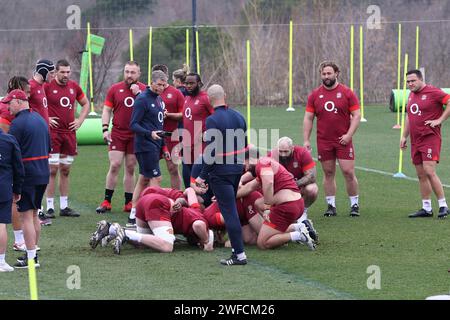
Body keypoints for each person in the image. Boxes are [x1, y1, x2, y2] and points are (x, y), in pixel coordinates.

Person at [195, 84, 248, 266]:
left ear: (209, 100)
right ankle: (237, 250)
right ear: (225, 95)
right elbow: (245, 146)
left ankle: (239, 255)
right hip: (236, 169)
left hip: (221, 173)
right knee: (231, 208)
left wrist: (202, 176)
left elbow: (211, 153)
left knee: (229, 212)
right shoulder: (239, 116)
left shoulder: (212, 120)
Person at [303, 61, 361, 217]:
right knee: (328, 172)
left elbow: (357, 115)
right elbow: (308, 118)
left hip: (343, 140)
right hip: (324, 141)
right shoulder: (315, 95)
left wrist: (349, 135)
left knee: (348, 172)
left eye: (329, 73)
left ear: (337, 73)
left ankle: (354, 204)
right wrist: (306, 140)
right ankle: (331, 205)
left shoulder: (347, 93)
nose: (326, 76)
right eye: (324, 73)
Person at [2, 89, 51, 268]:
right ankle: (32, 254)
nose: (7, 107)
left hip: (28, 175)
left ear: (19, 101)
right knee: (34, 215)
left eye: (10, 103)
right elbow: (49, 147)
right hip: (43, 173)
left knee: (26, 218)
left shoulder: (18, 124)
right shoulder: (40, 120)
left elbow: (11, 153)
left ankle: (31, 259)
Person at [238, 148, 316, 251]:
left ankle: (299, 235)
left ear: (251, 159)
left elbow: (269, 183)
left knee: (262, 243)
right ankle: (299, 227)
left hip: (287, 206)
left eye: (245, 162)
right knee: (258, 203)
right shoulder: (265, 163)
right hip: (295, 203)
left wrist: (267, 208)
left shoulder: (263, 164)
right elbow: (249, 187)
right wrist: (226, 196)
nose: (245, 166)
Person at [96, 61, 146, 214]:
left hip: (136, 135)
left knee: (130, 167)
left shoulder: (144, 90)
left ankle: (129, 202)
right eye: (127, 71)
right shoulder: (115, 89)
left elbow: (152, 109)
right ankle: (106, 201)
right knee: (115, 164)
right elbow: (106, 110)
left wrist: (139, 93)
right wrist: (105, 129)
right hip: (117, 133)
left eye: (132, 72)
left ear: (139, 74)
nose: (129, 75)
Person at [400, 69, 450, 218]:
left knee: (429, 171)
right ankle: (426, 208)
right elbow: (410, 116)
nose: (410, 84)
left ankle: (443, 206)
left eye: (413, 81)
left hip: (430, 137)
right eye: (408, 81)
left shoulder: (433, 92)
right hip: (416, 140)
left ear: (421, 79)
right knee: (421, 174)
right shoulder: (411, 95)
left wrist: (439, 120)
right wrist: (404, 136)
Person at [45, 59, 89, 217]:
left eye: (68, 72)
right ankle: (49, 207)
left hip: (69, 134)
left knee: (65, 170)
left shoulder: (74, 87)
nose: (65, 75)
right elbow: (34, 103)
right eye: (62, 72)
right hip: (53, 134)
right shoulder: (47, 86)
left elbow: (86, 104)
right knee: (52, 169)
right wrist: (47, 118)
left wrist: (80, 120)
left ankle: (64, 207)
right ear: (55, 72)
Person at [127, 70, 170, 227]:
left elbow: (159, 125)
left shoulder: (159, 99)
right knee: (156, 178)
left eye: (164, 85)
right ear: (151, 83)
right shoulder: (142, 99)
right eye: (159, 85)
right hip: (144, 145)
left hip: (155, 144)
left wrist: (164, 147)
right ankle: (154, 215)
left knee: (143, 178)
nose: (161, 88)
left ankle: (133, 215)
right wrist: (149, 133)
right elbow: (133, 124)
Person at [268, 136, 318, 222]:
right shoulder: (272, 156)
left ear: (292, 148)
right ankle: (276, 212)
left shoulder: (302, 153)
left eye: (286, 151)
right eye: (280, 151)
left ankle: (303, 211)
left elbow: (312, 176)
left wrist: (294, 184)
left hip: (298, 186)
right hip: (280, 188)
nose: (283, 154)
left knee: (312, 189)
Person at [152, 64, 184, 190]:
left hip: (171, 137)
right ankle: (151, 199)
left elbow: (183, 114)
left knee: (173, 169)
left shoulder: (176, 93)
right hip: (153, 137)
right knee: (150, 171)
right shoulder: (147, 93)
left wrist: (169, 115)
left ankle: (177, 197)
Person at [182, 73, 214, 188]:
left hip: (200, 146)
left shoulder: (205, 98)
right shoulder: (186, 98)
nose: (188, 86)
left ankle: (204, 204)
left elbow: (217, 118)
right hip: (187, 146)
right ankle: (190, 203)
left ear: (199, 84)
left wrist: (208, 134)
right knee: (187, 180)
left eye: (191, 83)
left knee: (199, 180)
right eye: (186, 83)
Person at [0, 121, 24, 272]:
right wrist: (18, 189)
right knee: (1, 224)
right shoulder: (9, 140)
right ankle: (1, 261)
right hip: (3, 188)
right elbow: (18, 168)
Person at [29, 59, 55, 125]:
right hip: (35, 132)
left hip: (44, 131)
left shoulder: (42, 85)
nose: (53, 75)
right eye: (51, 73)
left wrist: (45, 118)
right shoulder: (30, 86)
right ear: (43, 71)